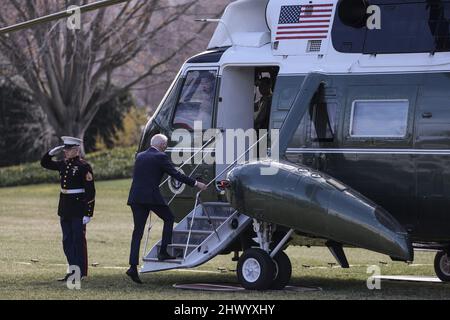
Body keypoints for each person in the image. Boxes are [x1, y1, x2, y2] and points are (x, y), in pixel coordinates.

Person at [126, 134, 207, 284]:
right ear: (162, 144)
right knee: (169, 218)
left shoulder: (140, 156)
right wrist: (196, 184)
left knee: (137, 232)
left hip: (136, 197)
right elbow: (176, 175)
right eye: (166, 144)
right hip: (151, 197)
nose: (166, 146)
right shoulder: (161, 157)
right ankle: (163, 252)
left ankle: (132, 267)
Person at [40, 136, 95, 281]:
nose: (65, 151)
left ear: (76, 150)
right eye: (65, 149)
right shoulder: (63, 164)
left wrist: (88, 213)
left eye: (68, 149)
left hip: (78, 210)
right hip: (65, 209)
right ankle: (73, 270)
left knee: (78, 241)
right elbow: (44, 163)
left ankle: (80, 272)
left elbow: (90, 191)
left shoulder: (84, 166)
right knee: (67, 241)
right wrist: (51, 152)